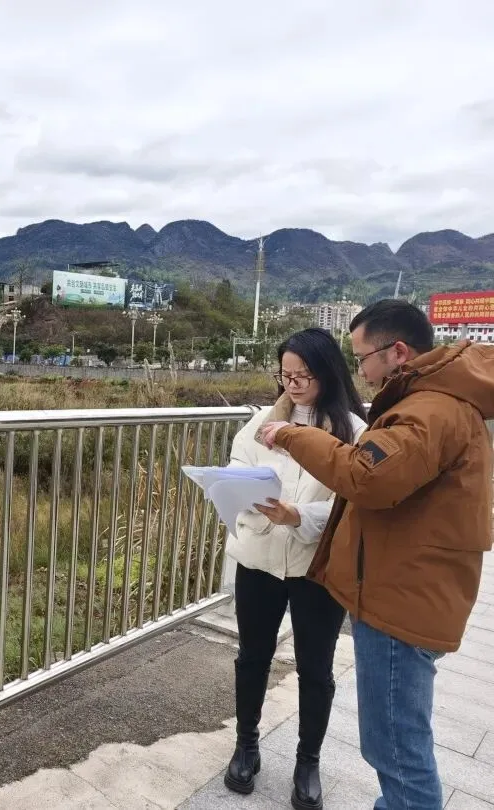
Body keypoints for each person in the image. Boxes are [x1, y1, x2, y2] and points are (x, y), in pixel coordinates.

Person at [260, 300, 494, 810]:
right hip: (408, 588)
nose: (361, 371)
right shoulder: (438, 402)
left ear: (398, 352)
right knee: (396, 741)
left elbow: (367, 477)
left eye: (363, 357)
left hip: (400, 600)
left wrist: (294, 435)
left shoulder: (430, 410)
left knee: (397, 750)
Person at [223, 328, 368, 810]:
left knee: (315, 667)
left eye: (304, 375)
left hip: (316, 566)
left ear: (328, 373)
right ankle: (246, 745)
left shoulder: (353, 430)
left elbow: (352, 504)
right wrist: (244, 496)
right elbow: (236, 471)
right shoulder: (260, 424)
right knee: (252, 656)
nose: (294, 384)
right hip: (260, 559)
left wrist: (299, 517)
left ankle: (308, 762)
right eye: (286, 375)